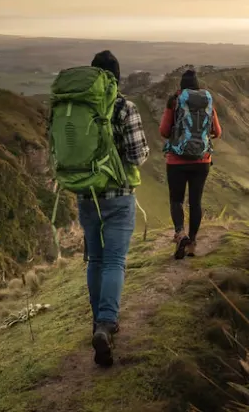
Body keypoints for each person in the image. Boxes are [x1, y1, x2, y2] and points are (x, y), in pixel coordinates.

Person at [79, 51, 149, 367]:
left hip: (86, 195)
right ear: (117, 78)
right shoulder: (124, 107)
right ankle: (107, 323)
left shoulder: (78, 109)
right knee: (114, 260)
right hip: (118, 196)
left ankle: (98, 322)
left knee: (95, 258)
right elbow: (137, 155)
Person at [159, 69, 222, 259]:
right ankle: (192, 242)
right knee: (196, 202)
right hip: (201, 160)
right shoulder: (206, 102)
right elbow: (217, 132)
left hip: (176, 160)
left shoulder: (174, 102)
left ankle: (180, 234)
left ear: (181, 86)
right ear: (197, 85)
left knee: (176, 200)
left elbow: (163, 131)